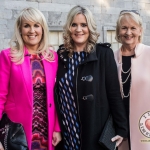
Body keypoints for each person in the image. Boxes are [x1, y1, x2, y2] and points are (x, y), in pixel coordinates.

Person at [54, 5, 128, 150]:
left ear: (90, 28)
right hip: (67, 128)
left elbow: (114, 93)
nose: (78, 29)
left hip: (95, 129)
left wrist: (121, 128)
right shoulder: (61, 55)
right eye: (74, 25)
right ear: (69, 28)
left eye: (83, 25)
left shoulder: (103, 54)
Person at [0, 7, 61, 150]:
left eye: (36, 25)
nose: (32, 30)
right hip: (18, 132)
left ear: (42, 29)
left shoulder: (52, 57)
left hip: (46, 130)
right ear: (20, 30)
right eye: (26, 26)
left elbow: (56, 94)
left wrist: (57, 128)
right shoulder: (8, 56)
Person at [114, 10, 150, 150]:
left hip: (145, 125)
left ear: (140, 31)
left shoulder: (149, 54)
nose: (128, 32)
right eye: (124, 28)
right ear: (118, 31)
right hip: (119, 126)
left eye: (133, 28)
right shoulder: (111, 58)